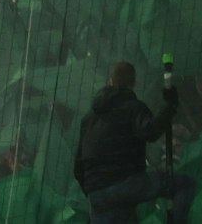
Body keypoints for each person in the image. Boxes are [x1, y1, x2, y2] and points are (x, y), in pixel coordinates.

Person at [75, 62, 195, 224]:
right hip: (126, 184)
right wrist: (170, 107)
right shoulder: (132, 108)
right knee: (184, 185)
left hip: (96, 194)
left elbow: (78, 168)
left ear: (110, 81)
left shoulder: (88, 119)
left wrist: (95, 191)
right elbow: (151, 132)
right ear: (133, 83)